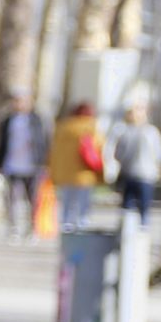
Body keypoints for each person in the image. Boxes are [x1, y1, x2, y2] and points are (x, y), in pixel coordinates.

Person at [0, 91, 46, 242]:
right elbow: (0, 143)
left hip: (32, 166)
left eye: (22, 101)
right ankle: (13, 229)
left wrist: (44, 162)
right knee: (11, 199)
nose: (19, 104)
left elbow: (44, 141)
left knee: (32, 200)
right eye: (17, 101)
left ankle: (32, 229)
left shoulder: (36, 120)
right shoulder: (7, 120)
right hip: (12, 165)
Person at [47, 100, 106, 236]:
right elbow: (100, 148)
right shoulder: (92, 128)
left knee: (68, 201)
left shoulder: (62, 128)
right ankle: (82, 224)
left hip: (66, 173)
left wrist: (53, 170)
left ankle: (66, 225)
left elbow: (54, 152)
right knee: (83, 202)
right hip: (85, 173)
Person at [110, 103, 161, 224]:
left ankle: (126, 234)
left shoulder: (124, 132)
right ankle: (143, 232)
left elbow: (118, 155)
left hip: (128, 173)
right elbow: (160, 155)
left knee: (127, 209)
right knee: (144, 209)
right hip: (147, 175)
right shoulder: (152, 132)